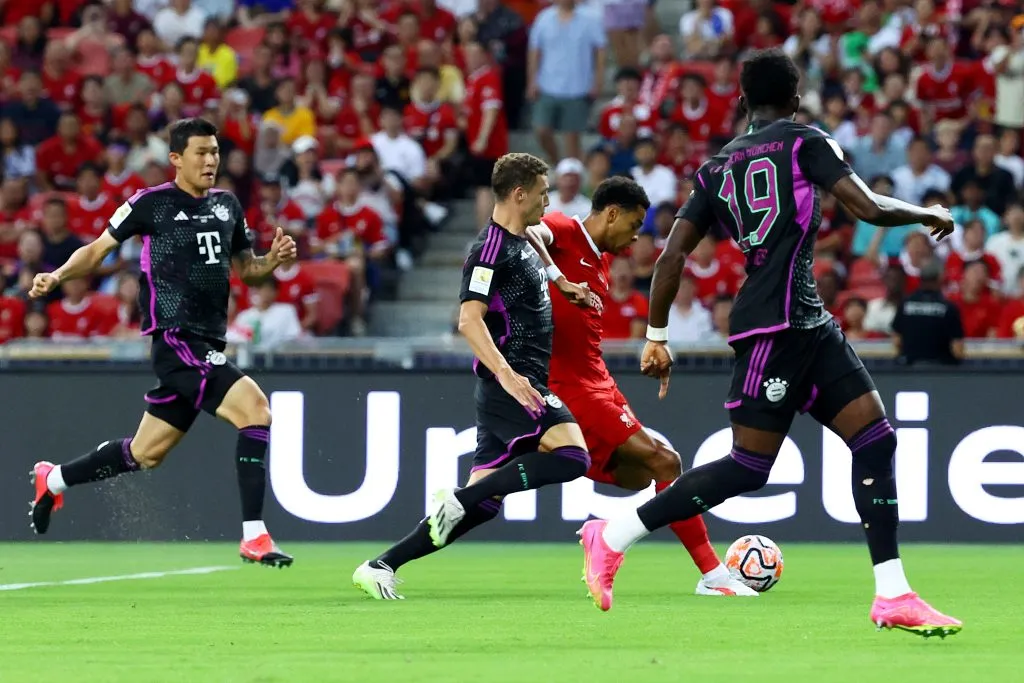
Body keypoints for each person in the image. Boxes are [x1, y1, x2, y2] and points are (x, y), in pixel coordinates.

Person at [577, 49, 963, 637]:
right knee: (748, 467)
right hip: (775, 325)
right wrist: (925, 212)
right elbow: (866, 206)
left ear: (741, 100)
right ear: (797, 96)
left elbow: (672, 256)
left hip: (805, 320)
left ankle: (893, 595)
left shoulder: (715, 169)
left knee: (876, 440)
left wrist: (656, 335)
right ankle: (616, 529)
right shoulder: (808, 140)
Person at [27, 118, 300, 569]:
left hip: (208, 342)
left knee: (144, 453)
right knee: (256, 411)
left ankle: (53, 479)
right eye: (200, 153)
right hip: (175, 337)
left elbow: (245, 270)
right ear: (176, 159)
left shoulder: (228, 205)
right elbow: (98, 250)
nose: (211, 160)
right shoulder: (151, 204)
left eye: (214, 151)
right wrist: (56, 276)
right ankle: (255, 535)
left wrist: (272, 260)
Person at [352, 152, 594, 599]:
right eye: (542, 194)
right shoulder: (488, 251)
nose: (548, 201)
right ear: (519, 194)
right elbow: (469, 320)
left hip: (513, 382)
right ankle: (457, 499)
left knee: (483, 506)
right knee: (573, 458)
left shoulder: (523, 237)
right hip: (514, 382)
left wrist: (561, 281)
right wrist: (507, 375)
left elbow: (540, 235)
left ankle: (381, 564)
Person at [526, 179, 755, 597]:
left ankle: (603, 528)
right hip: (571, 385)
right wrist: (557, 276)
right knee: (666, 462)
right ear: (610, 213)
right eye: (633, 225)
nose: (635, 238)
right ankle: (712, 575)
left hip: (598, 379)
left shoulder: (600, 260)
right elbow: (527, 230)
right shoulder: (562, 229)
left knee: (638, 476)